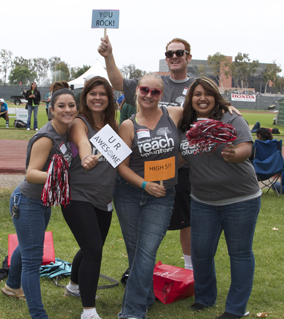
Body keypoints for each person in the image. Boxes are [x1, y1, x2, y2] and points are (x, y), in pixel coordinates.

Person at [99, 36, 195, 270]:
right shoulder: (153, 82)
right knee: (140, 235)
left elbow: (210, 104)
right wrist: (109, 55)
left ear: (188, 57)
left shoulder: (196, 86)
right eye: (170, 53)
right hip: (140, 171)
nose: (174, 57)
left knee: (186, 221)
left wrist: (228, 106)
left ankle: (190, 268)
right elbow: (117, 81)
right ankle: (138, 271)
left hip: (178, 168)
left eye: (179, 53)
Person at [178, 77, 261, 319]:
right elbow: (179, 158)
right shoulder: (185, 125)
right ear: (190, 99)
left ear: (216, 97)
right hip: (203, 201)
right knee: (201, 252)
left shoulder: (231, 118)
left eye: (208, 94)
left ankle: (236, 308)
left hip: (241, 199)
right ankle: (204, 297)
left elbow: (247, 147)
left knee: (240, 252)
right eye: (197, 94)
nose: (202, 98)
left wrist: (234, 153)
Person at [1, 82, 77, 319]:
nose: (67, 110)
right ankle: (38, 315)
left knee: (28, 248)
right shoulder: (46, 137)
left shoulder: (67, 131)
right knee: (33, 259)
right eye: (61, 106)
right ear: (51, 108)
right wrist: (61, 178)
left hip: (41, 203)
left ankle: (11, 286)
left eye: (72, 105)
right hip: (28, 201)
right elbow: (31, 173)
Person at [113, 72, 184, 319]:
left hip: (163, 195)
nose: (149, 95)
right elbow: (121, 167)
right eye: (144, 90)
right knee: (136, 252)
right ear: (136, 91)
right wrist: (145, 185)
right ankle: (144, 297)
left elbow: (200, 105)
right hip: (129, 194)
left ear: (161, 95)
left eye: (155, 92)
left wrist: (227, 104)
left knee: (146, 251)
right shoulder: (128, 125)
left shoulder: (173, 114)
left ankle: (131, 312)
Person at [61, 76, 118, 319]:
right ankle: (89, 311)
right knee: (94, 249)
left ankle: (74, 286)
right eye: (92, 93)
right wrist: (85, 157)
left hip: (104, 197)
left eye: (102, 94)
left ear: (109, 98)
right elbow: (83, 141)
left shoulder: (113, 126)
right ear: (85, 97)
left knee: (91, 247)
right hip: (78, 195)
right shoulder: (79, 122)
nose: (97, 97)